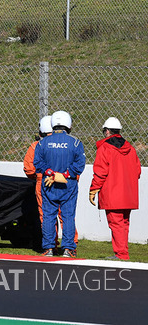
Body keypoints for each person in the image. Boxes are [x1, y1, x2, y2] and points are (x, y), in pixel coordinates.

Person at [33, 110, 86, 258]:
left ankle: (49, 248)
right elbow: (80, 164)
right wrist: (65, 174)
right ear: (68, 124)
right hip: (68, 183)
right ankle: (68, 249)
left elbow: (37, 163)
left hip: (49, 183)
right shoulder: (75, 142)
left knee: (49, 216)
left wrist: (50, 172)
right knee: (68, 216)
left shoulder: (42, 143)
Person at [89, 117, 141, 260]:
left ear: (106, 131)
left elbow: (100, 171)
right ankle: (122, 252)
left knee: (116, 224)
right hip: (128, 194)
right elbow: (137, 172)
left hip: (112, 194)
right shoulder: (130, 148)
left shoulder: (105, 148)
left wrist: (93, 189)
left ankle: (121, 254)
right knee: (124, 223)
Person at [23, 115, 77, 246]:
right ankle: (70, 244)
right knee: (67, 215)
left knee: (47, 215)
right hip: (66, 181)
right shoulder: (69, 142)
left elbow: (29, 169)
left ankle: (51, 245)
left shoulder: (37, 145)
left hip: (44, 182)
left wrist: (39, 176)